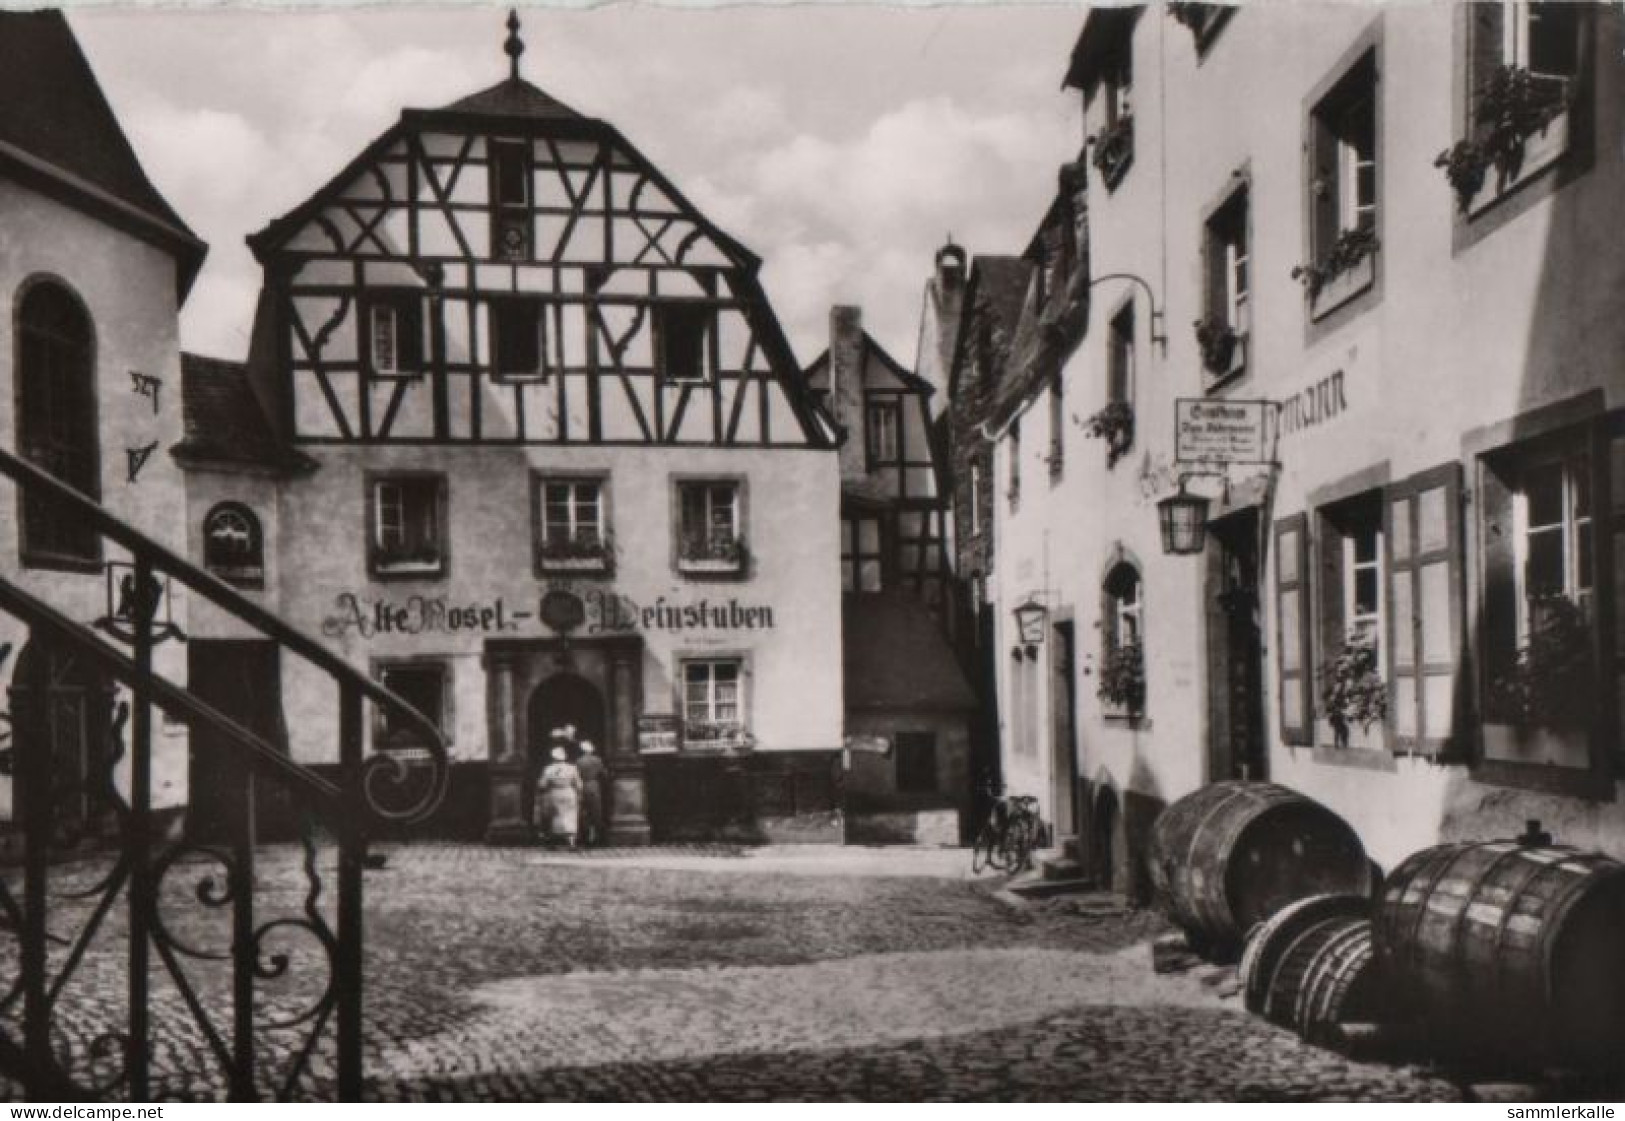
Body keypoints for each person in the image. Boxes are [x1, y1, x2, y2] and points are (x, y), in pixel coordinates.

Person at [534, 744, 581, 847]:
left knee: (555, 816)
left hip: (555, 793)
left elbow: (543, 784)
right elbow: (578, 784)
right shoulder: (572, 768)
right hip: (569, 792)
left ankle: (554, 840)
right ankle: (571, 841)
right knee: (570, 815)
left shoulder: (548, 769)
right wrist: (578, 793)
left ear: (553, 757)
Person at [576, 741, 607, 848]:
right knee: (596, 812)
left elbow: (576, 775)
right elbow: (604, 774)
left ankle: (584, 837)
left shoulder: (579, 761)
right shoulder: (597, 760)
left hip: (582, 785)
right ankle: (597, 838)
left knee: (583, 813)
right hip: (594, 785)